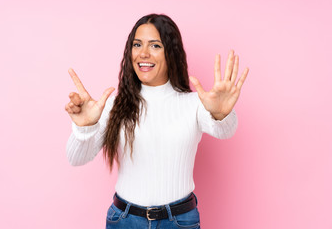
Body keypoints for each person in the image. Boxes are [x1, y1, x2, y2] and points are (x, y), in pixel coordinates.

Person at [65, 14, 249, 229]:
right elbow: (75, 158)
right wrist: (84, 127)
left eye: (155, 45)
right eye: (137, 44)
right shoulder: (113, 105)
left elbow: (225, 131)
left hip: (179, 222)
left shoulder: (194, 103)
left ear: (171, 53)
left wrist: (221, 114)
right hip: (124, 221)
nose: (143, 53)